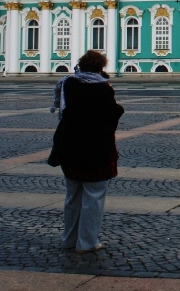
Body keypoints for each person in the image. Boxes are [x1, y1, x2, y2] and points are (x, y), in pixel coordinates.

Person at [47, 50, 124, 253]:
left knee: (72, 197)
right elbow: (111, 115)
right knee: (94, 196)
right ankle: (87, 242)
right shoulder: (103, 88)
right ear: (100, 67)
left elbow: (64, 112)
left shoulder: (68, 84)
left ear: (81, 65)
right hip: (95, 150)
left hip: (70, 148)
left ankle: (69, 239)